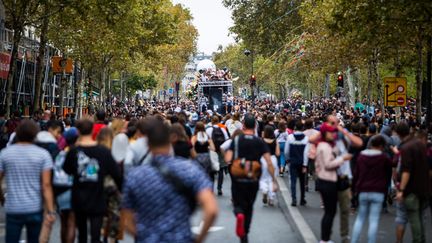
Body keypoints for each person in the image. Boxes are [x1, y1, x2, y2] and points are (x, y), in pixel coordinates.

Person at [121, 117, 218, 242]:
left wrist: (144, 235)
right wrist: (199, 239)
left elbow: (126, 218)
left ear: (148, 144)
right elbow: (211, 209)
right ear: (170, 140)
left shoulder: (136, 176)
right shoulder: (189, 170)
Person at [63, 119, 122, 243]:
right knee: (95, 236)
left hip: (78, 198)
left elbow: (67, 170)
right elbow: (116, 174)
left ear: (78, 131)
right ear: (92, 130)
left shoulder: (73, 151)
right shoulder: (103, 152)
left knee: (82, 235)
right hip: (97, 197)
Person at [0, 120, 56, 243]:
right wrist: (51, 210)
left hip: (13, 207)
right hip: (34, 207)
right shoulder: (43, 155)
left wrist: (2, 198)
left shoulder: (5, 154)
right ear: (35, 134)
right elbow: (46, 185)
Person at [224, 113, 277, 243]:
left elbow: (228, 158)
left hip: (238, 178)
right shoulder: (259, 141)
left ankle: (239, 214)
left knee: (238, 204)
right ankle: (245, 234)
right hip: (253, 178)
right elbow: (269, 162)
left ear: (243, 126)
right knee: (249, 207)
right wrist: (274, 180)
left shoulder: (236, 140)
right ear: (255, 126)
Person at [315, 122, 352, 243]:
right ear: (325, 134)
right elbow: (328, 164)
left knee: (330, 212)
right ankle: (324, 239)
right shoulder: (324, 147)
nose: (333, 134)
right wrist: (342, 159)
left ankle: (325, 238)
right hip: (327, 181)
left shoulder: (326, 145)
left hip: (326, 180)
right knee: (329, 212)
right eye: (331, 132)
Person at [351, 135, 392, 243]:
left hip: (363, 190)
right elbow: (388, 175)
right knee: (373, 220)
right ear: (382, 146)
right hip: (378, 191)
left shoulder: (361, 156)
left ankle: (354, 241)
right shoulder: (384, 158)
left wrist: (353, 188)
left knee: (360, 218)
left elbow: (356, 174)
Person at [395, 122, 431, 243]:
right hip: (424, 187)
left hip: (412, 190)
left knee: (414, 218)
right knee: (421, 218)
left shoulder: (406, 148)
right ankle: (421, 239)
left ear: (397, 133)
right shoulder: (419, 144)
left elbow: (406, 171)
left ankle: (418, 240)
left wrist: (401, 190)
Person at [285, 120, 309, 206]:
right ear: (302, 128)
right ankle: (302, 199)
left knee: (293, 180)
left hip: (293, 161)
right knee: (302, 181)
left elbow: (286, 151)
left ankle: (294, 199)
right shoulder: (306, 139)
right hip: (302, 162)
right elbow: (306, 153)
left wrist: (287, 160)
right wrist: (305, 165)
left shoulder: (290, 137)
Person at [206, 115, 229, 195]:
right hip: (221, 150)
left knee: (211, 170)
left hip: (212, 151)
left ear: (211, 121)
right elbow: (227, 140)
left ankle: (211, 188)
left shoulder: (208, 130)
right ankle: (219, 188)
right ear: (218, 121)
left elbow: (206, 141)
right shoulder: (223, 129)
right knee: (221, 170)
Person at [260, 125, 280, 206]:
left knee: (263, 177)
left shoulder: (261, 140)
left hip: (263, 159)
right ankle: (271, 198)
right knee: (272, 178)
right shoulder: (275, 141)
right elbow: (278, 153)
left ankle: (264, 190)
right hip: (273, 159)